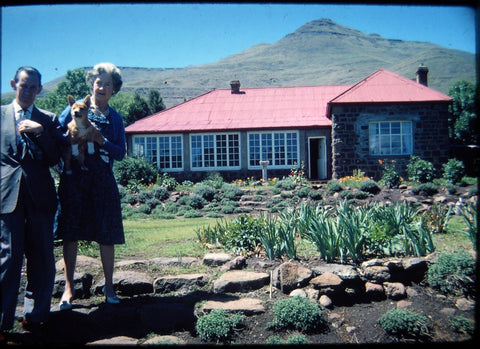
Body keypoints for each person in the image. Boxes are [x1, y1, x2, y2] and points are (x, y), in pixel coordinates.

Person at [56, 63, 126, 310]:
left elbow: (121, 154)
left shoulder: (116, 119)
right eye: (98, 82)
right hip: (75, 179)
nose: (102, 87)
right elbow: (58, 137)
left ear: (114, 89)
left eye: (108, 84)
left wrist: (101, 139)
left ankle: (109, 285)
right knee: (71, 232)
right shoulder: (73, 110)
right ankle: (68, 288)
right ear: (92, 85)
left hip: (102, 181)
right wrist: (69, 141)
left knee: (106, 234)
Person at [1, 66, 62, 337]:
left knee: (42, 258)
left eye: (33, 87)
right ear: (14, 84)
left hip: (40, 197)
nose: (27, 91)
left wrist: (40, 132)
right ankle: (3, 323)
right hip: (6, 197)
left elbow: (55, 158)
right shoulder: (0, 114)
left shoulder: (47, 119)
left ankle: (36, 317)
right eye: (23, 85)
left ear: (39, 89)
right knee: (9, 258)